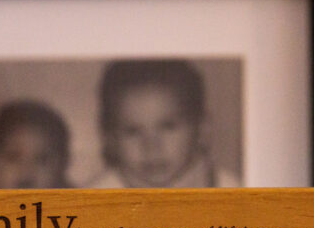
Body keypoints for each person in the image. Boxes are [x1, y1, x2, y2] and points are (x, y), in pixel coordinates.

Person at [88, 59, 240, 188]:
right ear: (110, 139)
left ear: (202, 129)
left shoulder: (232, 190)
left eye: (167, 127)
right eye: (132, 131)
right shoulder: (93, 200)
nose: (151, 147)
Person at [0, 100, 72, 189]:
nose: (26, 172)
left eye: (42, 160)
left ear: (61, 165)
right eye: (12, 157)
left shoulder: (74, 203)